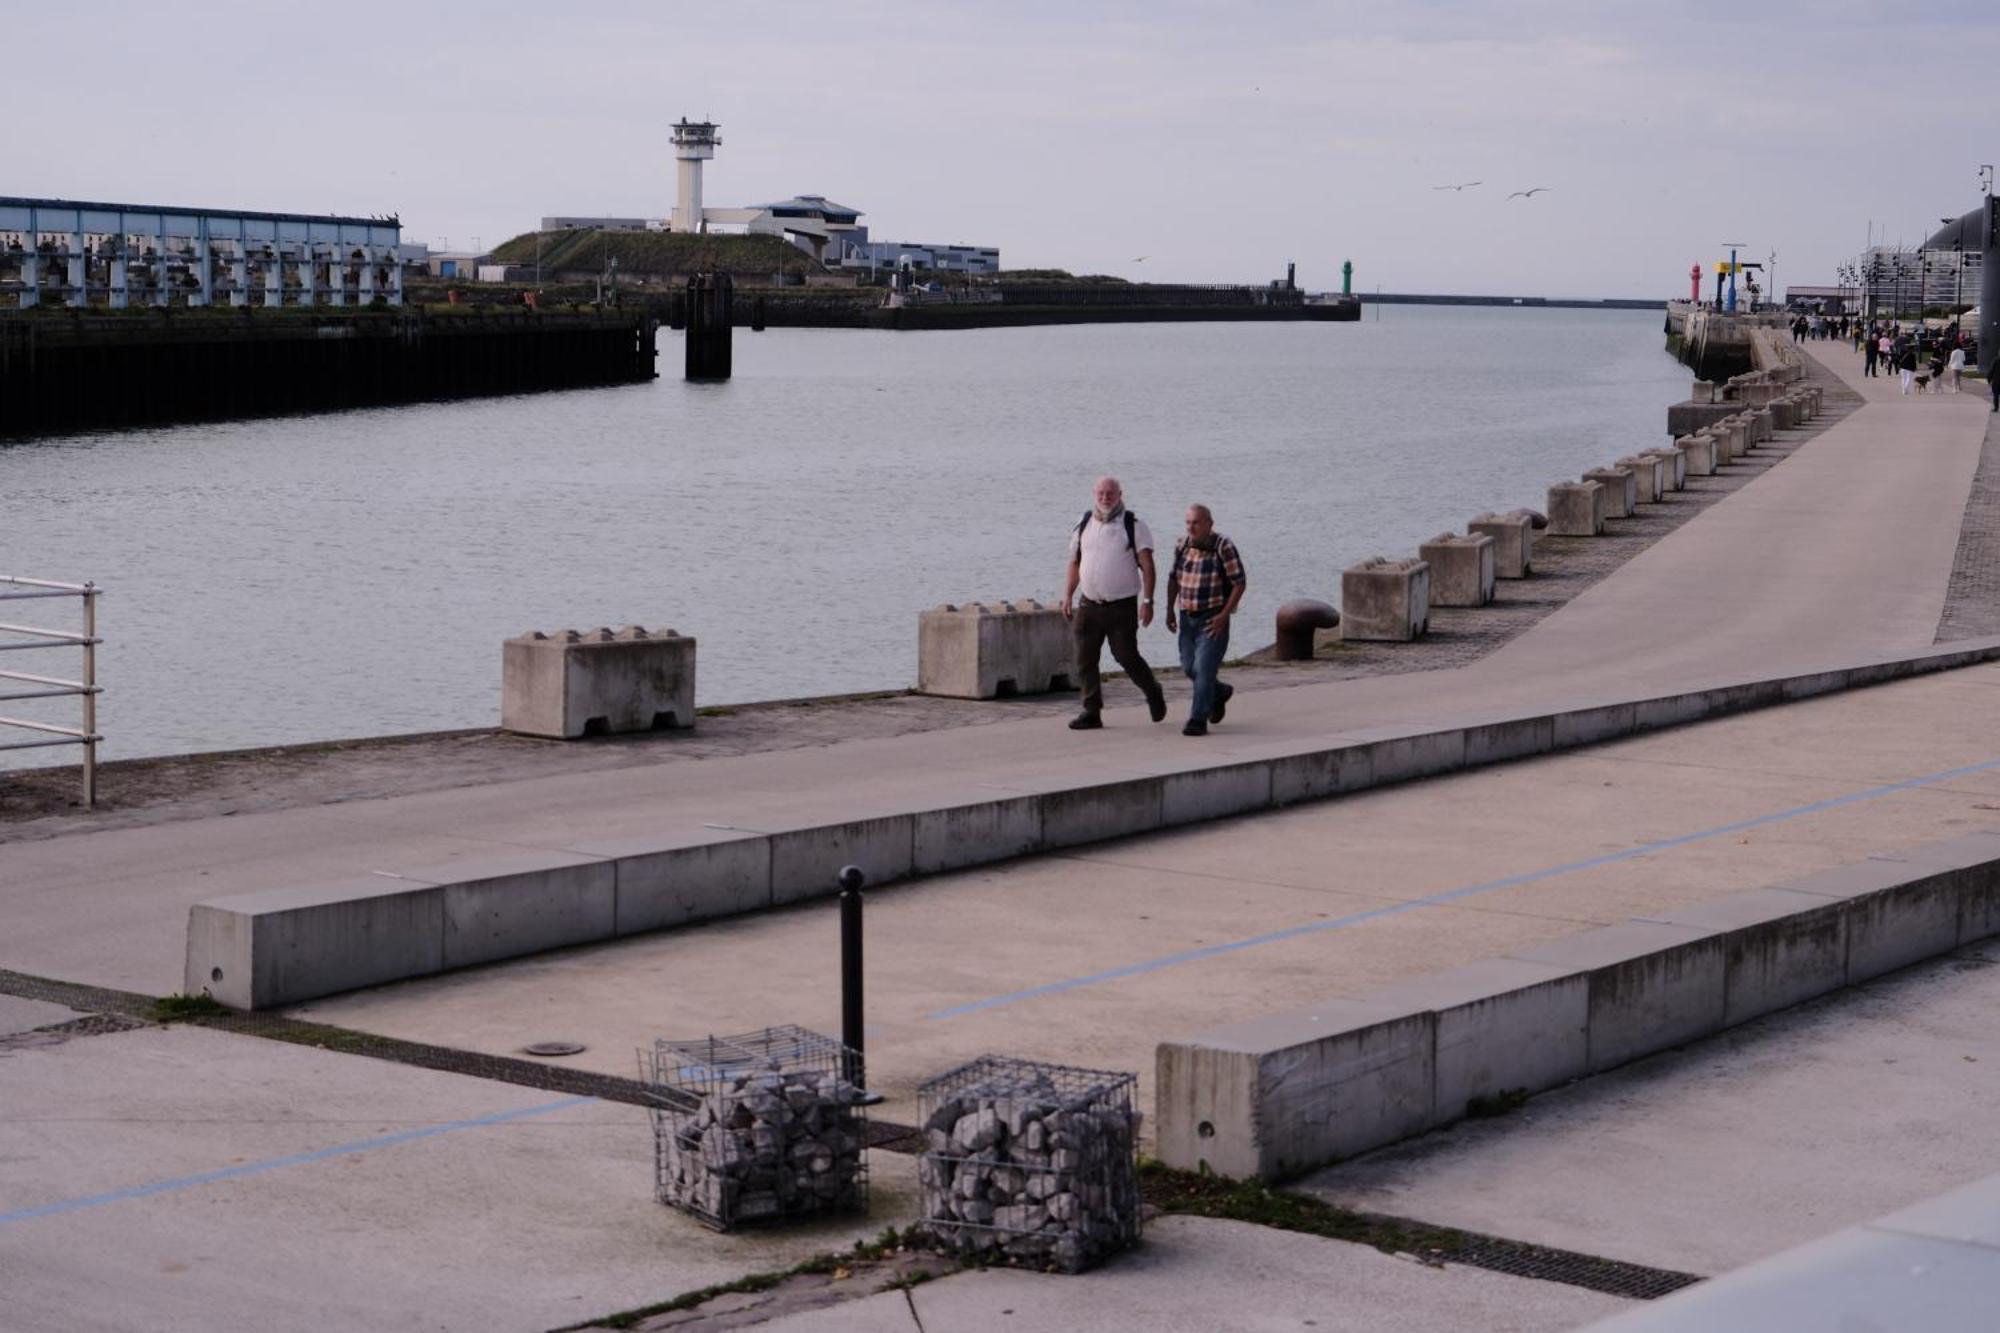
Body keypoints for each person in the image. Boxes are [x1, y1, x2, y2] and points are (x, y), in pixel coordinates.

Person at [1059, 476, 1166, 730]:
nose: (1105, 498)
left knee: (1126, 656)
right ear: (1094, 494)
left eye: (1110, 493)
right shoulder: (1083, 523)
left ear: (1120, 495)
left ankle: (1153, 691)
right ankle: (1091, 710)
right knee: (1084, 659)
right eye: (1101, 493)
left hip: (1121, 606)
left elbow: (1148, 568)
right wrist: (1068, 595)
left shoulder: (1133, 525)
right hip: (1089, 605)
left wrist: (1148, 601)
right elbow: (1074, 562)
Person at [1164, 504, 1246, 737]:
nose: (1191, 527)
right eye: (1188, 522)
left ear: (1209, 524)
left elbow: (1239, 583)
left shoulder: (1223, 546)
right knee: (1190, 668)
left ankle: (1197, 719)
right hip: (1187, 617)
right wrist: (1169, 610)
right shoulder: (1182, 545)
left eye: (1196, 522)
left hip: (1212, 618)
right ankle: (1219, 693)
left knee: (1204, 669)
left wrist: (1224, 615)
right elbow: (1173, 580)